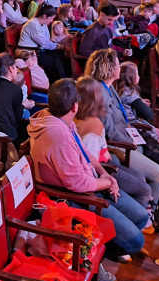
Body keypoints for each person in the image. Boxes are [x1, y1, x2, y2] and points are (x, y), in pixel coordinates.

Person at [28, 78, 149, 268]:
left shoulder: (61, 120)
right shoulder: (59, 136)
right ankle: (97, 256)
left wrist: (105, 174)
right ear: (75, 106)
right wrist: (107, 183)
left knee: (142, 217)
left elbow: (84, 152)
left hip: (93, 183)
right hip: (77, 197)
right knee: (136, 243)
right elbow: (77, 185)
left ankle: (108, 242)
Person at [85, 49, 159, 209]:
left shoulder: (109, 87)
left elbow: (120, 117)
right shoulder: (99, 93)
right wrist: (132, 141)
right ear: (108, 68)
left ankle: (154, 206)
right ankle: (149, 212)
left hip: (126, 137)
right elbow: (110, 131)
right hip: (116, 145)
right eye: (117, 64)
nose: (119, 68)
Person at [75, 77, 153, 213]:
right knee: (144, 190)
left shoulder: (85, 118)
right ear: (95, 99)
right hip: (99, 172)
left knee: (139, 177)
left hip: (103, 163)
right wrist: (107, 179)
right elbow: (89, 165)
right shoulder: (93, 125)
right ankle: (136, 217)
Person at [18, 5, 69, 83]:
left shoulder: (43, 24)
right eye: (51, 18)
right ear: (45, 16)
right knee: (52, 59)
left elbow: (46, 40)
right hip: (28, 52)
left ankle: (64, 79)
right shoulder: (33, 24)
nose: (52, 21)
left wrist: (59, 47)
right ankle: (59, 82)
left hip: (39, 49)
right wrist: (62, 47)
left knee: (59, 53)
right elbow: (45, 44)